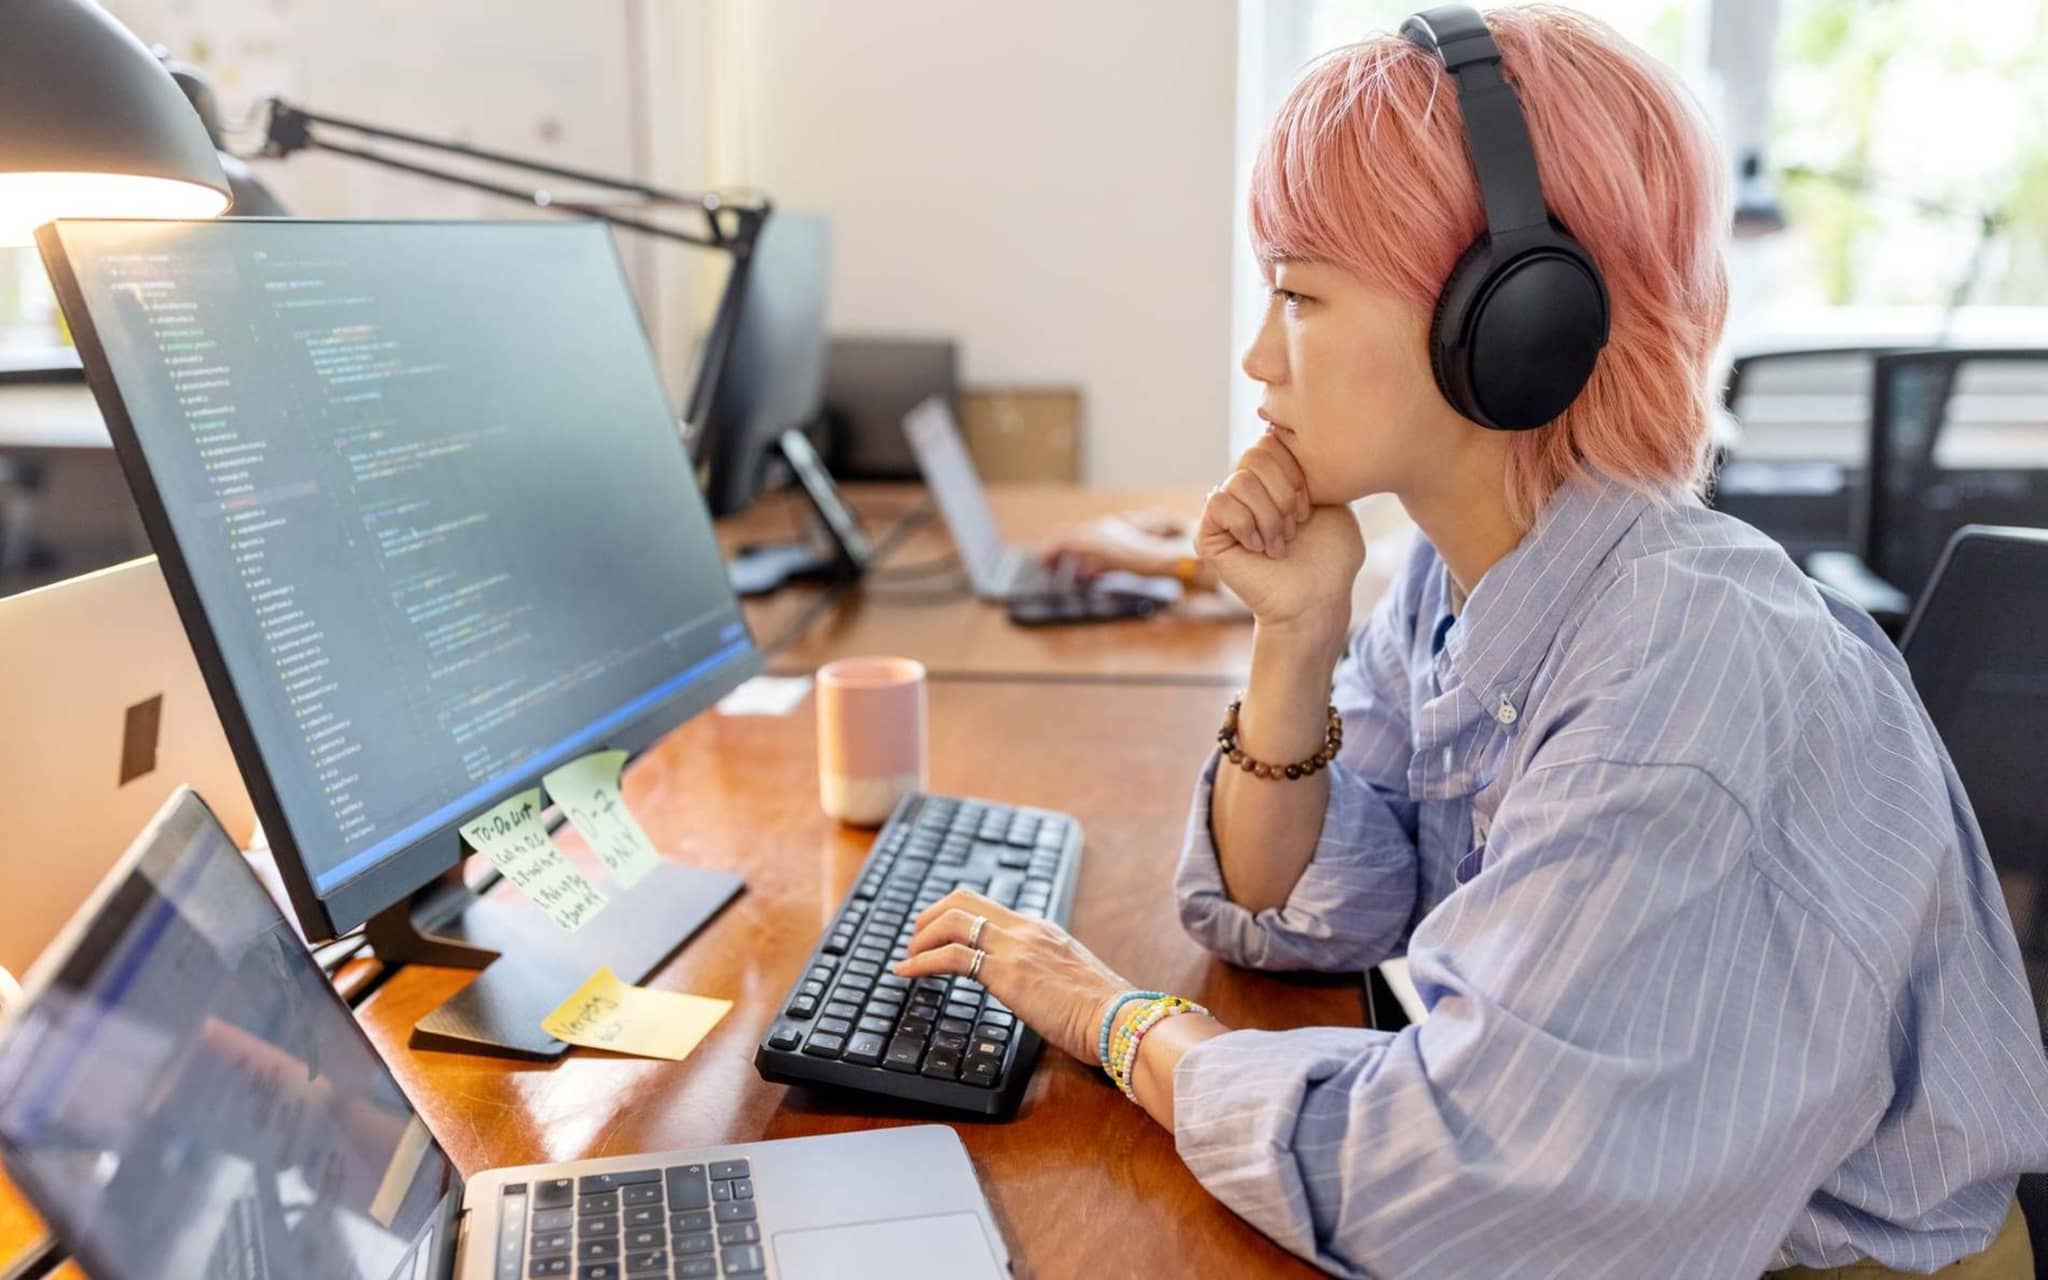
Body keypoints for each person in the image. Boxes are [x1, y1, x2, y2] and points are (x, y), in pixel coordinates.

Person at [897, 5, 2048, 1277]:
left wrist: (1112, 1019)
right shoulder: (1461, 580)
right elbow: (1304, 911)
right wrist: (1296, 631)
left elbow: (1448, 1186)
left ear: (1511, 321)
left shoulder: (1689, 672)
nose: (1255, 355)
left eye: (1298, 295)